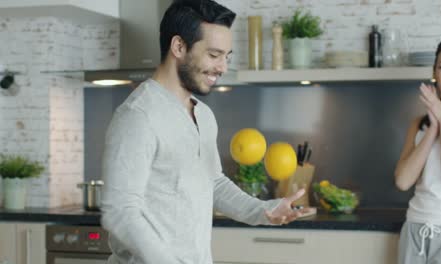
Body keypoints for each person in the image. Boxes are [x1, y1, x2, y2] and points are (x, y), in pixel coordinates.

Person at [100, 0, 313, 263]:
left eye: (227, 56)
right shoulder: (138, 115)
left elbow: (214, 182)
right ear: (179, 46)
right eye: (214, 55)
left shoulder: (203, 114)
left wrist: (263, 210)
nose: (223, 67)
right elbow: (120, 211)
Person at [394, 35, 441, 264]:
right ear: (434, 72)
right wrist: (433, 128)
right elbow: (403, 181)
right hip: (415, 228)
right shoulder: (419, 124)